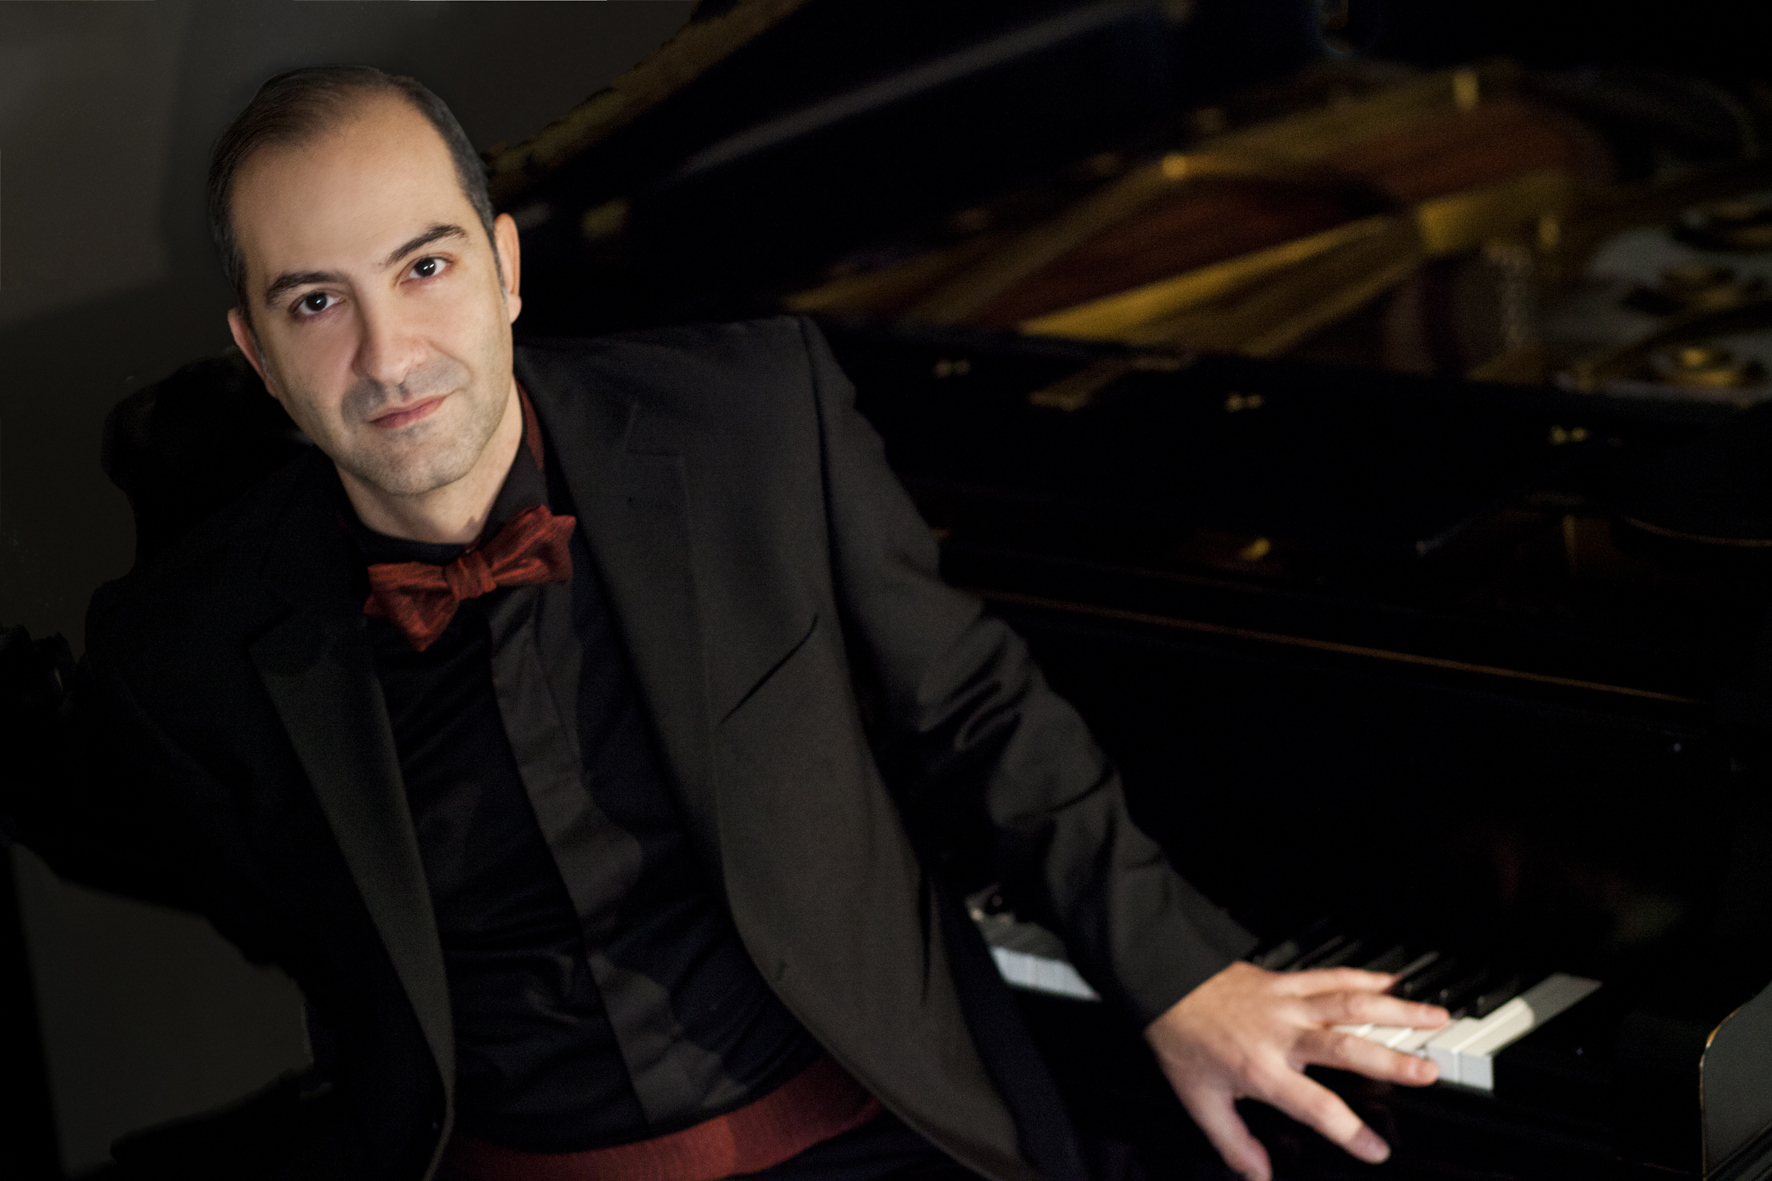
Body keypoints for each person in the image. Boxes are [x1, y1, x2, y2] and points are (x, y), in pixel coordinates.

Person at [0, 66, 1448, 1181]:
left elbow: (971, 708)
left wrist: (1177, 972)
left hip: (867, 1145)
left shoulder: (752, 422)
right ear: (256, 352)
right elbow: (266, 917)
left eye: (424, 268)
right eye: (318, 302)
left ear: (505, 265)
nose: (388, 355)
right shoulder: (185, 651)